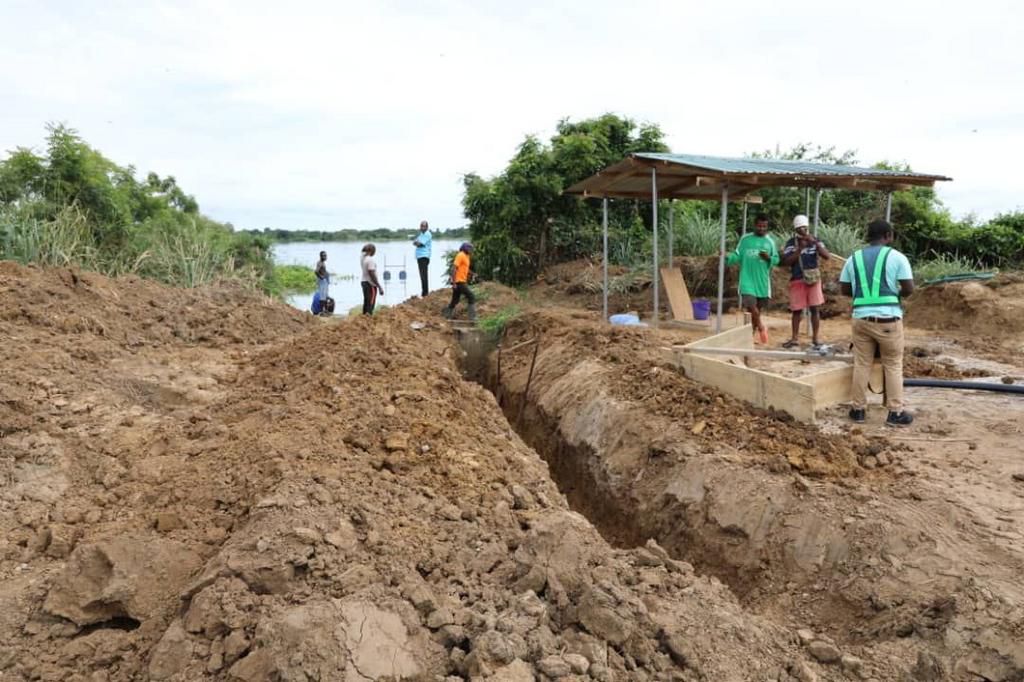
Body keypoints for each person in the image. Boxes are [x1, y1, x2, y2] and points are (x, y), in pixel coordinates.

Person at [839, 219, 915, 427]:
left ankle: (858, 410)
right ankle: (895, 413)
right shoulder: (897, 257)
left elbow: (845, 290)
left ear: (868, 236)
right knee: (892, 364)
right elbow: (908, 288)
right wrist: (895, 295)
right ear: (888, 236)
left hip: (861, 319)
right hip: (888, 320)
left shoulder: (853, 259)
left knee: (862, 364)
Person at [725, 214, 779, 344]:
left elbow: (776, 259)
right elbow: (737, 255)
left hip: (762, 282)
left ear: (767, 227)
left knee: (755, 310)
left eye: (764, 226)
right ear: (754, 225)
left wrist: (768, 258)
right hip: (747, 279)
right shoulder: (745, 239)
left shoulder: (770, 242)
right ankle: (761, 327)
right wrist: (727, 257)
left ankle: (750, 336)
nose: (761, 228)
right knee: (752, 305)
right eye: (759, 226)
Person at [781, 215, 832, 349]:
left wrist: (814, 243)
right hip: (798, 279)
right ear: (796, 229)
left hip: (813, 279)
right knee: (797, 310)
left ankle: (815, 338)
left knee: (815, 308)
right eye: (800, 229)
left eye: (804, 228)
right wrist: (799, 249)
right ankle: (794, 338)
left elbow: (827, 256)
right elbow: (786, 262)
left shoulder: (815, 240)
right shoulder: (791, 243)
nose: (802, 231)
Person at [442, 242, 476, 321]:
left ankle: (446, 315)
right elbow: (454, 268)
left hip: (461, 281)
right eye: (470, 248)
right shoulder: (460, 255)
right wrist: (454, 283)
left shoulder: (467, 256)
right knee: (471, 297)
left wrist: (472, 273)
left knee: (455, 300)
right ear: (465, 248)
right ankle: (472, 317)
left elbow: (465, 268)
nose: (471, 250)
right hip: (459, 281)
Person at [360, 243, 384, 315]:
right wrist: (379, 286)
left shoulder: (362, 258)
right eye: (374, 251)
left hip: (364, 281)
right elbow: (371, 273)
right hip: (370, 283)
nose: (375, 252)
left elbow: (362, 252)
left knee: (366, 301)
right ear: (371, 251)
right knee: (371, 303)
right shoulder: (370, 260)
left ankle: (364, 317)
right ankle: (368, 317)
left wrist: (366, 248)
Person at [412, 220, 432, 297]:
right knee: (422, 275)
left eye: (424, 226)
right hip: (420, 256)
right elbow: (414, 242)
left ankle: (425, 293)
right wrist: (416, 243)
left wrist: (417, 243)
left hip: (424, 256)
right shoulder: (421, 234)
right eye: (421, 226)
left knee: (424, 275)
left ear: (427, 227)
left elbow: (419, 244)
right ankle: (424, 292)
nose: (422, 227)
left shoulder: (427, 234)